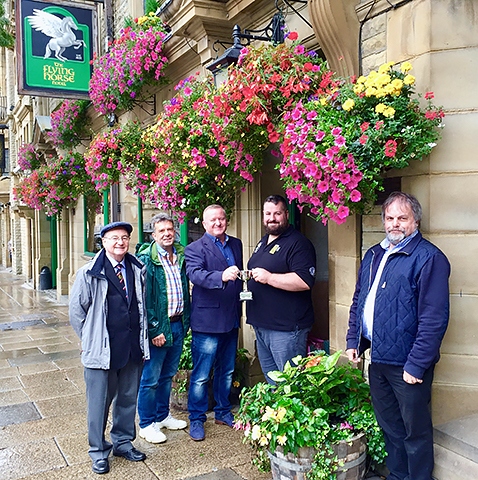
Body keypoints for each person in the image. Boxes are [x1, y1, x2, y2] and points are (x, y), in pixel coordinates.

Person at [346, 191, 450, 480]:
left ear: (415, 221)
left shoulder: (429, 258)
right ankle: (397, 475)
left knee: (414, 433)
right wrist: (354, 340)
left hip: (407, 365)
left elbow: (434, 318)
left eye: (402, 218)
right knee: (390, 427)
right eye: (390, 218)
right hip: (378, 359)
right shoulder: (374, 255)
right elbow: (359, 302)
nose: (395, 224)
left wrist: (417, 364)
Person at [69, 222, 149, 475]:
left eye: (124, 238)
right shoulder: (88, 272)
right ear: (103, 242)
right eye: (114, 238)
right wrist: (90, 339)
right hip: (103, 352)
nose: (120, 243)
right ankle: (98, 451)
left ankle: (123, 443)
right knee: (99, 404)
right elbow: (76, 312)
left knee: (127, 400)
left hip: (131, 347)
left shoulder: (136, 269)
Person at [185, 204, 243, 441]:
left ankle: (222, 412)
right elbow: (195, 275)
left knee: (227, 371)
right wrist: (220, 276)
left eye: (221, 218)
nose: (218, 223)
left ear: (226, 220)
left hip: (231, 318)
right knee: (201, 375)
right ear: (204, 223)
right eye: (213, 220)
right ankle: (196, 418)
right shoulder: (194, 248)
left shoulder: (236, 244)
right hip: (207, 321)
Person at [247, 195, 316, 383]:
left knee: (290, 385)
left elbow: (304, 280)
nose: (272, 218)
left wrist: (269, 278)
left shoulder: (298, 243)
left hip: (286, 330)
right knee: (273, 384)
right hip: (263, 326)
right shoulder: (264, 241)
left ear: (286, 214)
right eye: (268, 213)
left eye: (277, 213)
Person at [136, 212, 190, 443]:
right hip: (159, 328)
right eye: (161, 231)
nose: (167, 234)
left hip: (178, 324)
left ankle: (162, 416)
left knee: (168, 375)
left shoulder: (181, 255)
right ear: (153, 234)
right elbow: (144, 299)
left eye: (170, 229)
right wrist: (154, 329)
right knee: (150, 378)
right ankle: (147, 424)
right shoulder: (147, 259)